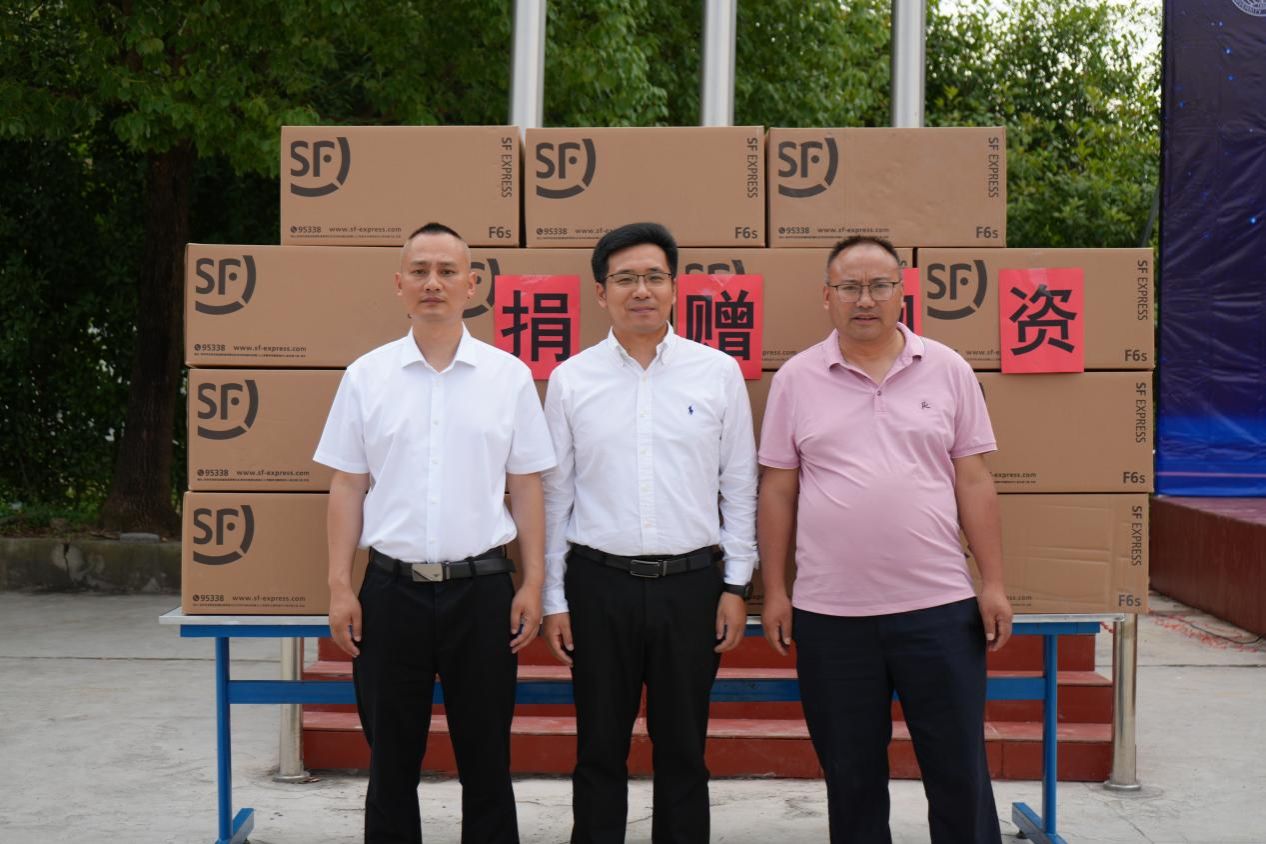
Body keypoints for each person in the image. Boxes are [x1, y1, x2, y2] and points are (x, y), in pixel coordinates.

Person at [756, 235, 1013, 843]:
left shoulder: (948, 368)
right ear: (827, 296)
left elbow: (974, 480)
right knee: (851, 777)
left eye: (878, 286)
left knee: (958, 771)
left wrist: (994, 583)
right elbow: (778, 490)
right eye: (849, 287)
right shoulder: (796, 378)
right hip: (831, 615)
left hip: (939, 607)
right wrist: (775, 591)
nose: (864, 300)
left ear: (903, 292)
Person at [315, 222, 555, 844]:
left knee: (487, 759)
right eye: (420, 271)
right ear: (398, 284)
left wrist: (533, 582)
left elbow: (527, 485)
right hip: (391, 592)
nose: (433, 283)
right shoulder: (366, 376)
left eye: (448, 271)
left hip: (483, 591)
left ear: (472, 285)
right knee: (391, 762)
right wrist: (340, 587)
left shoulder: (507, 377)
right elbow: (347, 484)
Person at [540, 221, 758, 843]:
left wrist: (736, 586)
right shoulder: (571, 379)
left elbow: (739, 484)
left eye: (655, 277)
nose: (642, 290)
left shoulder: (716, 373)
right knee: (598, 746)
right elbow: (555, 496)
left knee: (684, 747)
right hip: (598, 584)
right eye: (626, 279)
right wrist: (554, 597)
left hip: (691, 587)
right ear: (601, 292)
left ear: (674, 287)